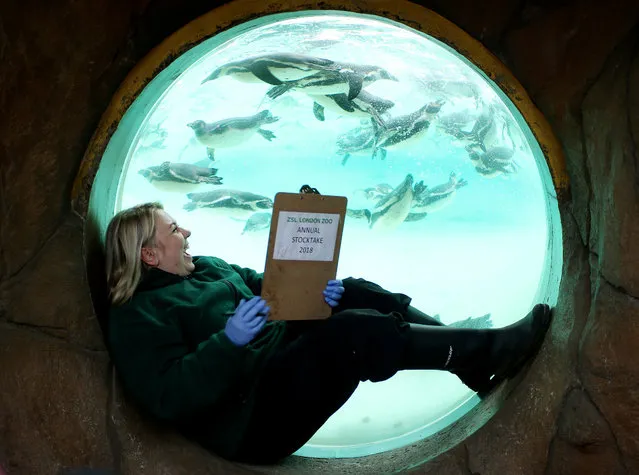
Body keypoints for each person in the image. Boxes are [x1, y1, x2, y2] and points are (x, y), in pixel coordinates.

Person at [105, 202, 552, 464]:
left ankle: (474, 361)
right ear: (149, 254)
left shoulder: (207, 267)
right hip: (252, 417)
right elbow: (169, 395)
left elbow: (270, 288)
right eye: (174, 229)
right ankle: (487, 351)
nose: (186, 231)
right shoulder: (139, 316)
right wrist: (228, 342)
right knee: (348, 336)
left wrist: (312, 289)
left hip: (275, 357)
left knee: (352, 293)